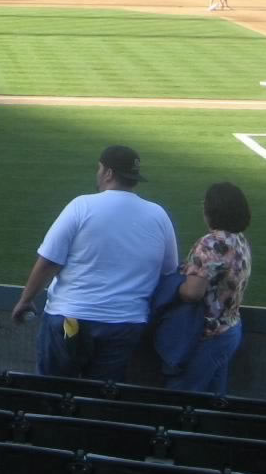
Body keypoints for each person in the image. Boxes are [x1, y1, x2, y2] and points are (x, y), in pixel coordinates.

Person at [11, 145, 178, 382]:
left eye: (99, 169)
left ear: (108, 173)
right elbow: (169, 270)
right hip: (125, 324)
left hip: (70, 317)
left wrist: (25, 300)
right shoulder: (159, 215)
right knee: (101, 401)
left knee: (51, 393)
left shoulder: (82, 205)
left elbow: (49, 261)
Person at [167, 182, 253, 393]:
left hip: (207, 334)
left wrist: (171, 286)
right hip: (230, 328)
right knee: (214, 399)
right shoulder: (240, 240)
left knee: (184, 397)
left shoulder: (211, 243)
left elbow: (192, 293)